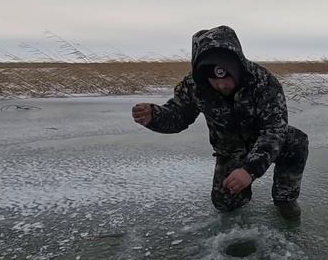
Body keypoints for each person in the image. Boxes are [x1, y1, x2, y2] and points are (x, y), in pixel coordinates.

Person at [131, 25, 308, 220]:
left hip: (265, 142)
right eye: (213, 79)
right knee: (225, 204)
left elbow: (274, 130)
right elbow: (179, 115)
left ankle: (285, 198)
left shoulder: (263, 82)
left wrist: (249, 170)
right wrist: (155, 116)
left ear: (236, 67)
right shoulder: (195, 85)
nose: (221, 84)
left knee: (296, 142)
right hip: (230, 150)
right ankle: (240, 197)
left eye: (226, 77)